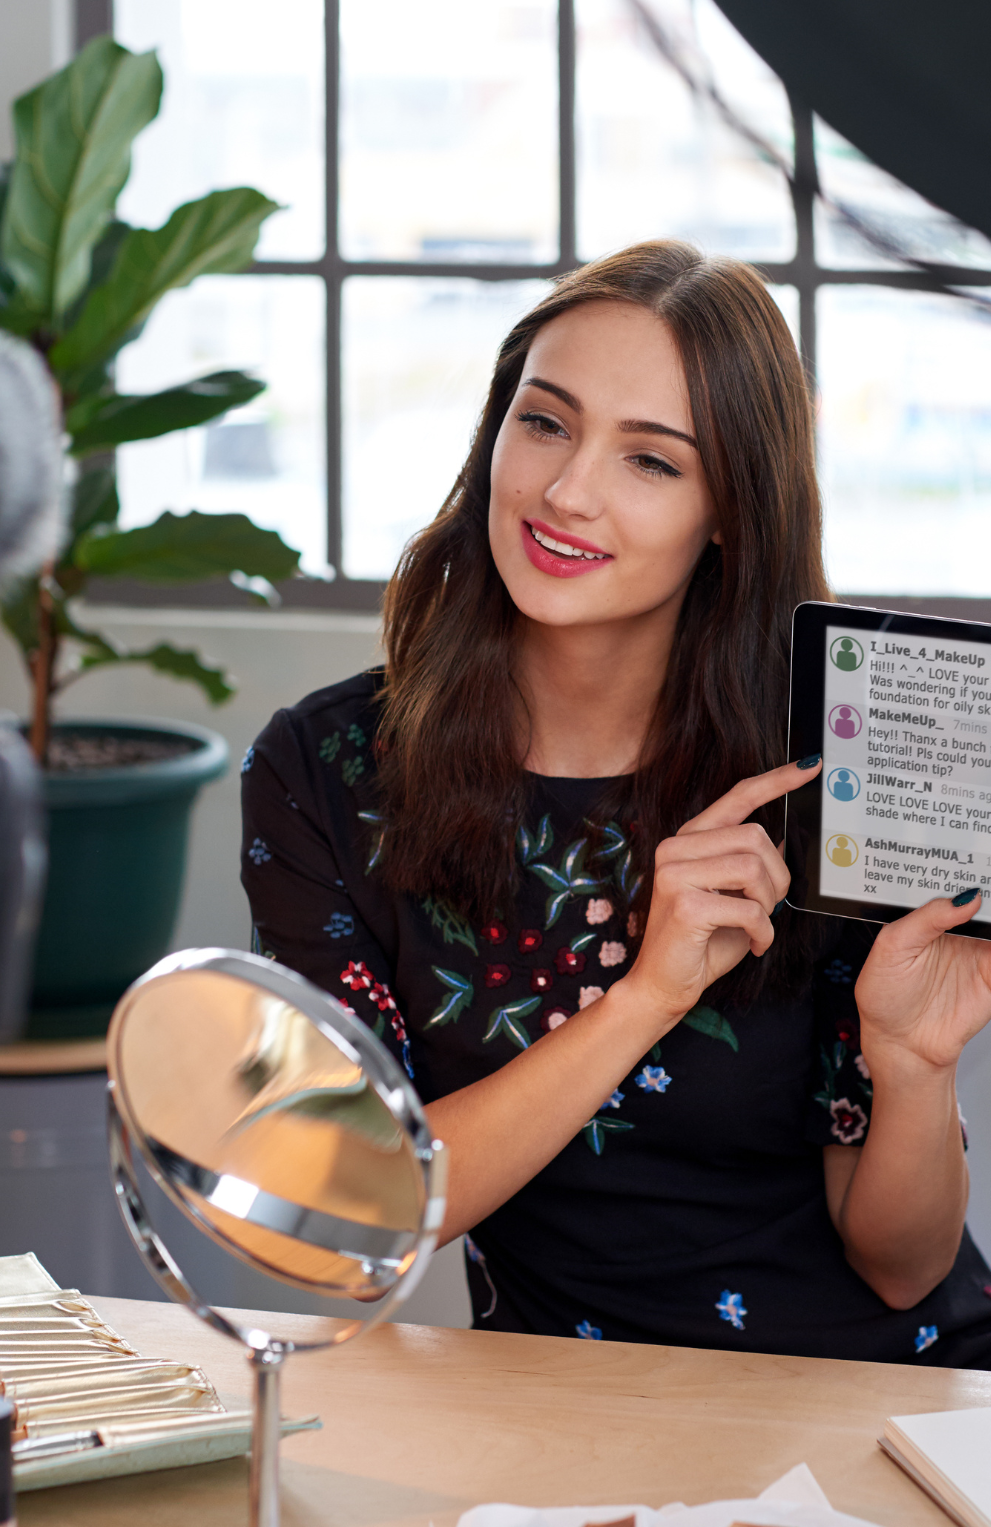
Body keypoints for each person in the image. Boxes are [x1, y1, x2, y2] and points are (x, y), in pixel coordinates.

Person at [240, 240, 991, 1365]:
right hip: (568, 1402)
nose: (566, 491)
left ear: (728, 512)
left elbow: (904, 1266)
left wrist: (914, 1065)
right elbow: (355, 1208)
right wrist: (647, 995)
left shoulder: (824, 771)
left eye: (650, 461)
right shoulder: (326, 772)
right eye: (545, 423)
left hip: (880, 1397)